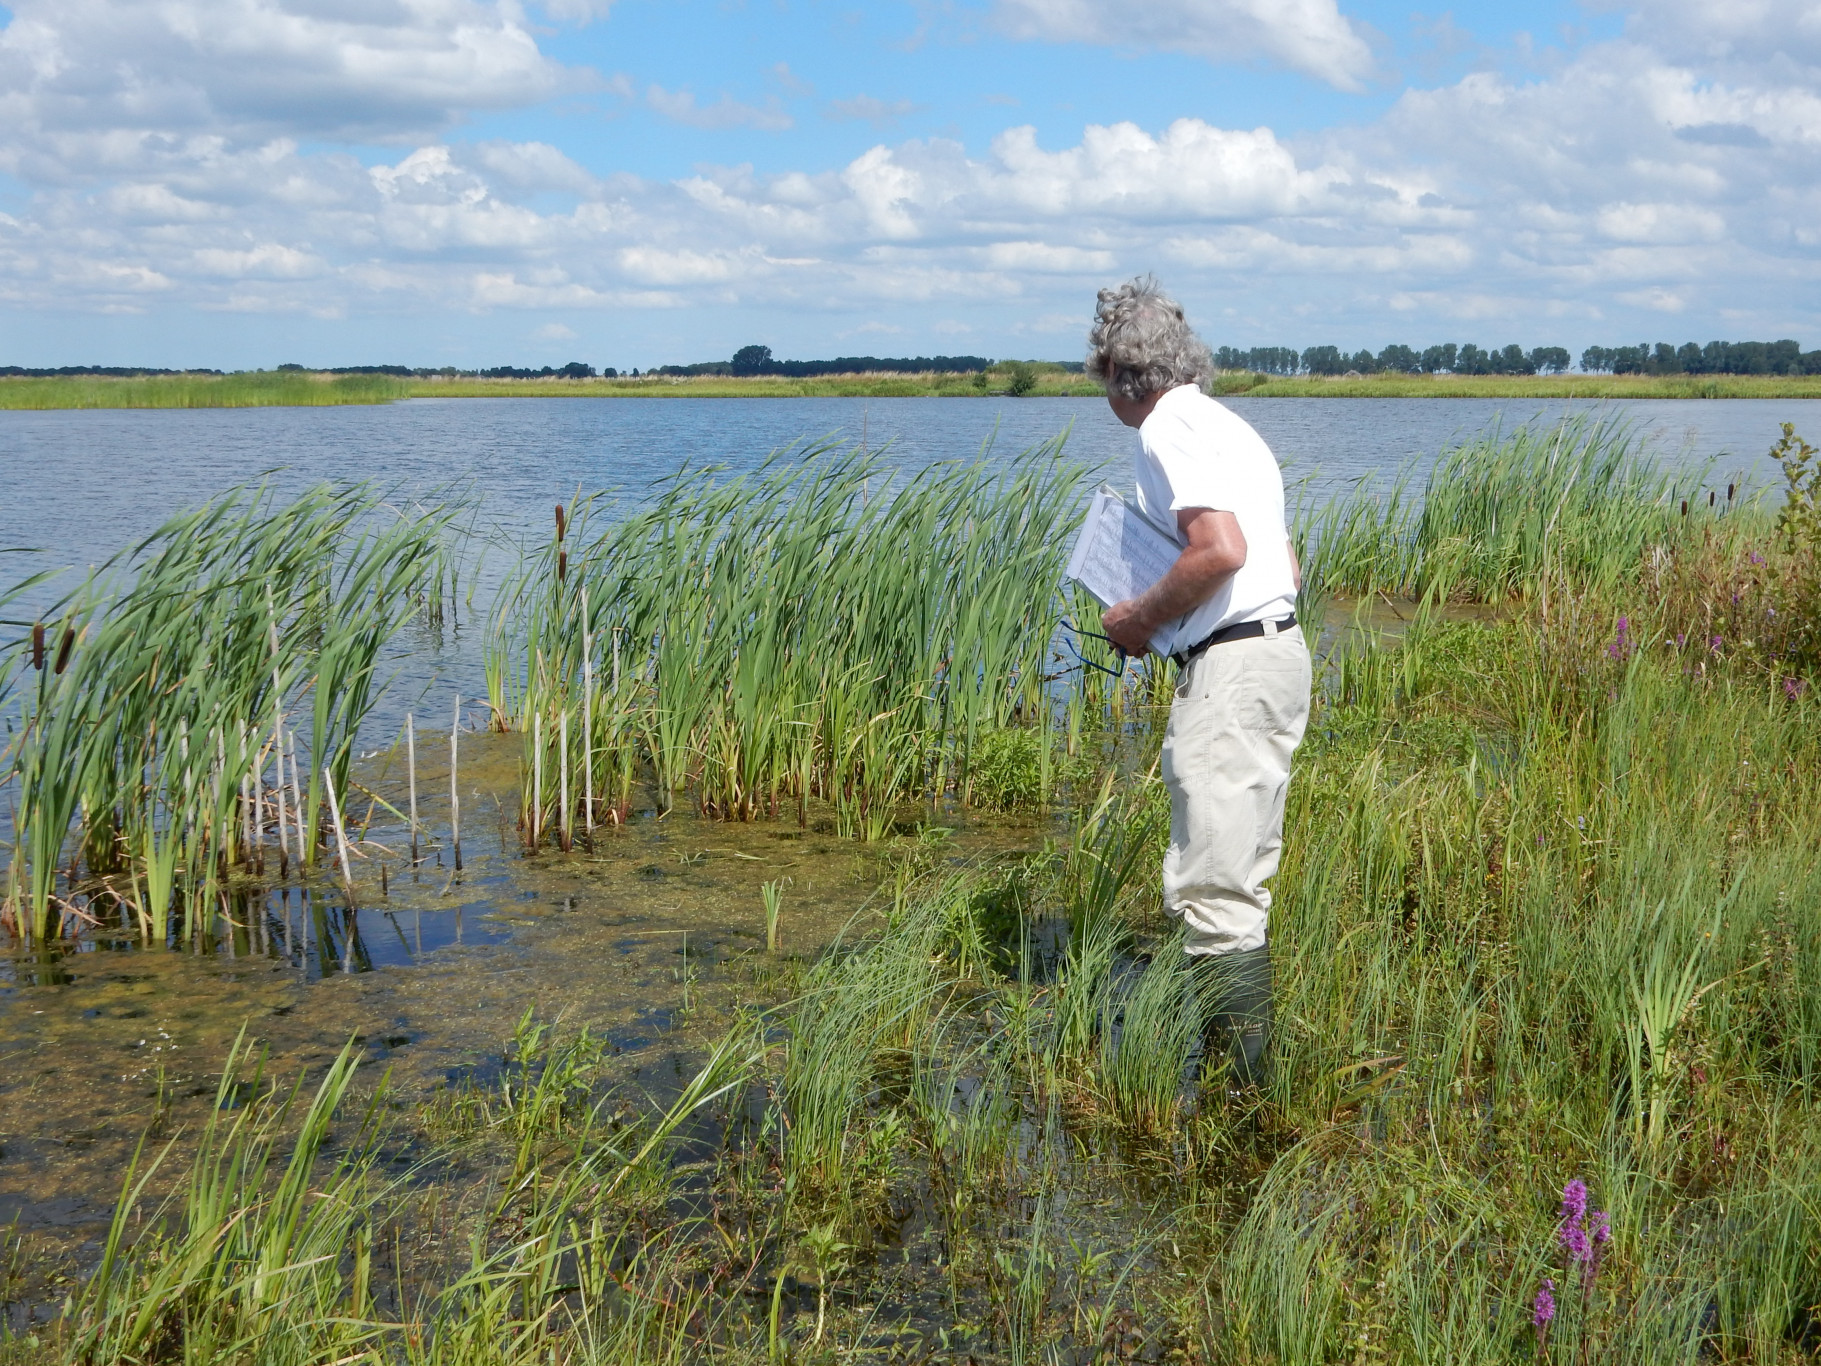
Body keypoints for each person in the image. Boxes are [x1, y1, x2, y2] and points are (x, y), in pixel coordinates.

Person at [1085, 277, 1311, 1088]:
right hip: (1278, 655)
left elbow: (1220, 550)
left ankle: (1236, 1101)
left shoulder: (1166, 427)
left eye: (1100, 374)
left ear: (1118, 371)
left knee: (1214, 891)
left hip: (1232, 668)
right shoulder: (1229, 426)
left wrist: (1141, 619)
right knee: (1242, 874)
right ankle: (1242, 1085)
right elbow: (1282, 563)